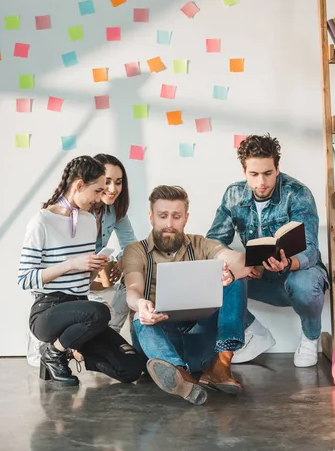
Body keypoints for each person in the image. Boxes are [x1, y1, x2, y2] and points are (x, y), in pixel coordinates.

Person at [18, 155, 145, 385]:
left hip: (81, 309)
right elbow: (25, 279)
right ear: (79, 185)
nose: (102, 196)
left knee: (132, 367)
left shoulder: (87, 221)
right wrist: (71, 264)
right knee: (99, 313)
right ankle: (54, 352)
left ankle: (71, 349)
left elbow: (82, 283)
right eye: (97, 190)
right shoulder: (41, 222)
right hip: (48, 310)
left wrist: (97, 269)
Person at [207, 134, 329, 368]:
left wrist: (288, 263)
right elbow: (212, 242)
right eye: (254, 174)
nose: (261, 182)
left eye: (268, 173)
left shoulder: (298, 193)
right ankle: (254, 332)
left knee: (306, 282)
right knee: (214, 275)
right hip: (259, 278)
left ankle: (311, 336)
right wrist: (239, 262)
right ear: (244, 172)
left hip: (294, 276)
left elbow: (311, 251)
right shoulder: (233, 195)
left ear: (277, 168)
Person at [123, 185, 252, 405]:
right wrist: (140, 304)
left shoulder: (200, 244)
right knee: (139, 318)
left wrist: (227, 270)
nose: (169, 224)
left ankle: (220, 364)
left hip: (199, 337)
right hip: (159, 341)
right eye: (163, 216)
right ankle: (178, 375)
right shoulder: (136, 250)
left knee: (236, 281)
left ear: (186, 218)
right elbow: (133, 289)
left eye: (176, 216)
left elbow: (236, 259)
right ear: (151, 217)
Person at [91, 153, 137, 332]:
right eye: (107, 181)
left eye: (118, 182)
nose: (113, 189)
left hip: (96, 270)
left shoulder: (114, 210)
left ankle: (111, 331)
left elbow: (131, 245)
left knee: (136, 267)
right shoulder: (78, 210)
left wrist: (122, 259)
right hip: (74, 275)